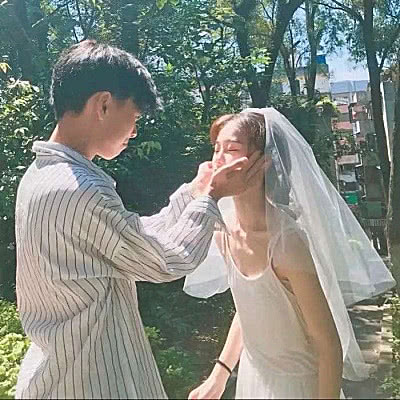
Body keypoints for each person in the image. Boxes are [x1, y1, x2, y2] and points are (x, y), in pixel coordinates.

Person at [14, 40, 264, 399]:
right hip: (91, 380)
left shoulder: (42, 177)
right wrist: (211, 197)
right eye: (133, 118)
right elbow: (165, 259)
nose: (134, 131)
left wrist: (194, 191)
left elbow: (134, 237)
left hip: (63, 373)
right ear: (103, 105)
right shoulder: (79, 188)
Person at [184, 108, 396, 399]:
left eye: (231, 149)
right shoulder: (223, 231)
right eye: (216, 149)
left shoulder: (286, 242)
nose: (217, 160)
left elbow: (328, 345)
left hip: (298, 386)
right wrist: (219, 375)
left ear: (264, 161)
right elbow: (251, 309)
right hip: (253, 378)